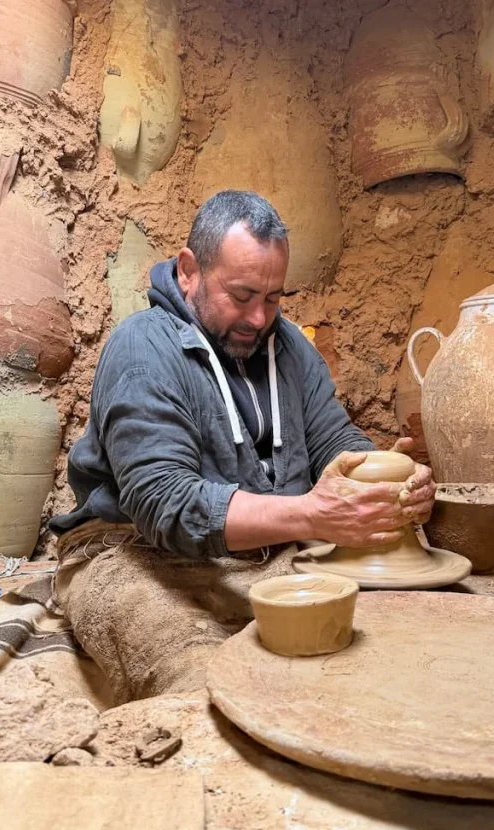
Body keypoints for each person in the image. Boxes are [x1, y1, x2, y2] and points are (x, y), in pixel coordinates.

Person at [48, 190, 435, 703]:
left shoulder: (291, 348)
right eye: (242, 295)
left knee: (395, 644)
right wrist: (312, 515)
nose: (258, 318)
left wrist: (386, 482)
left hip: (272, 549)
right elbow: (165, 502)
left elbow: (334, 442)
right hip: (135, 553)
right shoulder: (143, 347)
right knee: (207, 682)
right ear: (189, 271)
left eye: (273, 298)